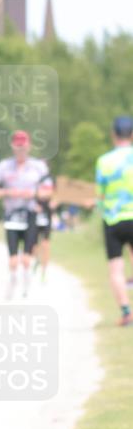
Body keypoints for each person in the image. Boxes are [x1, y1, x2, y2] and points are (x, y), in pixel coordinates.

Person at [0, 131, 51, 300]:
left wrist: (32, 193)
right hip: (12, 215)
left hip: (31, 214)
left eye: (23, 147)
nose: (20, 150)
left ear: (29, 146)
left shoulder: (39, 166)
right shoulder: (3, 166)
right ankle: (13, 281)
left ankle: (27, 288)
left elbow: (48, 191)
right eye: (18, 147)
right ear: (13, 147)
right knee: (13, 259)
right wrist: (8, 192)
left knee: (27, 258)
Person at [95, 116, 133, 327]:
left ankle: (126, 312)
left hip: (113, 220)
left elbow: (100, 195)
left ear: (113, 135)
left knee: (116, 269)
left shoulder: (104, 161)